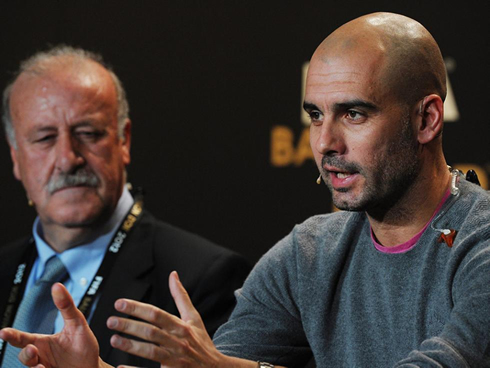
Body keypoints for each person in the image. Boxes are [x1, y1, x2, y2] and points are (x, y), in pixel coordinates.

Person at [2, 11, 489, 368]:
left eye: (354, 114)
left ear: (426, 120)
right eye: (315, 115)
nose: (324, 143)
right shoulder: (308, 253)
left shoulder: (479, 240)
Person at [0, 45, 251, 368]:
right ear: (15, 157)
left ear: (124, 141)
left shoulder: (203, 280)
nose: (67, 158)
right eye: (44, 138)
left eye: (88, 133)